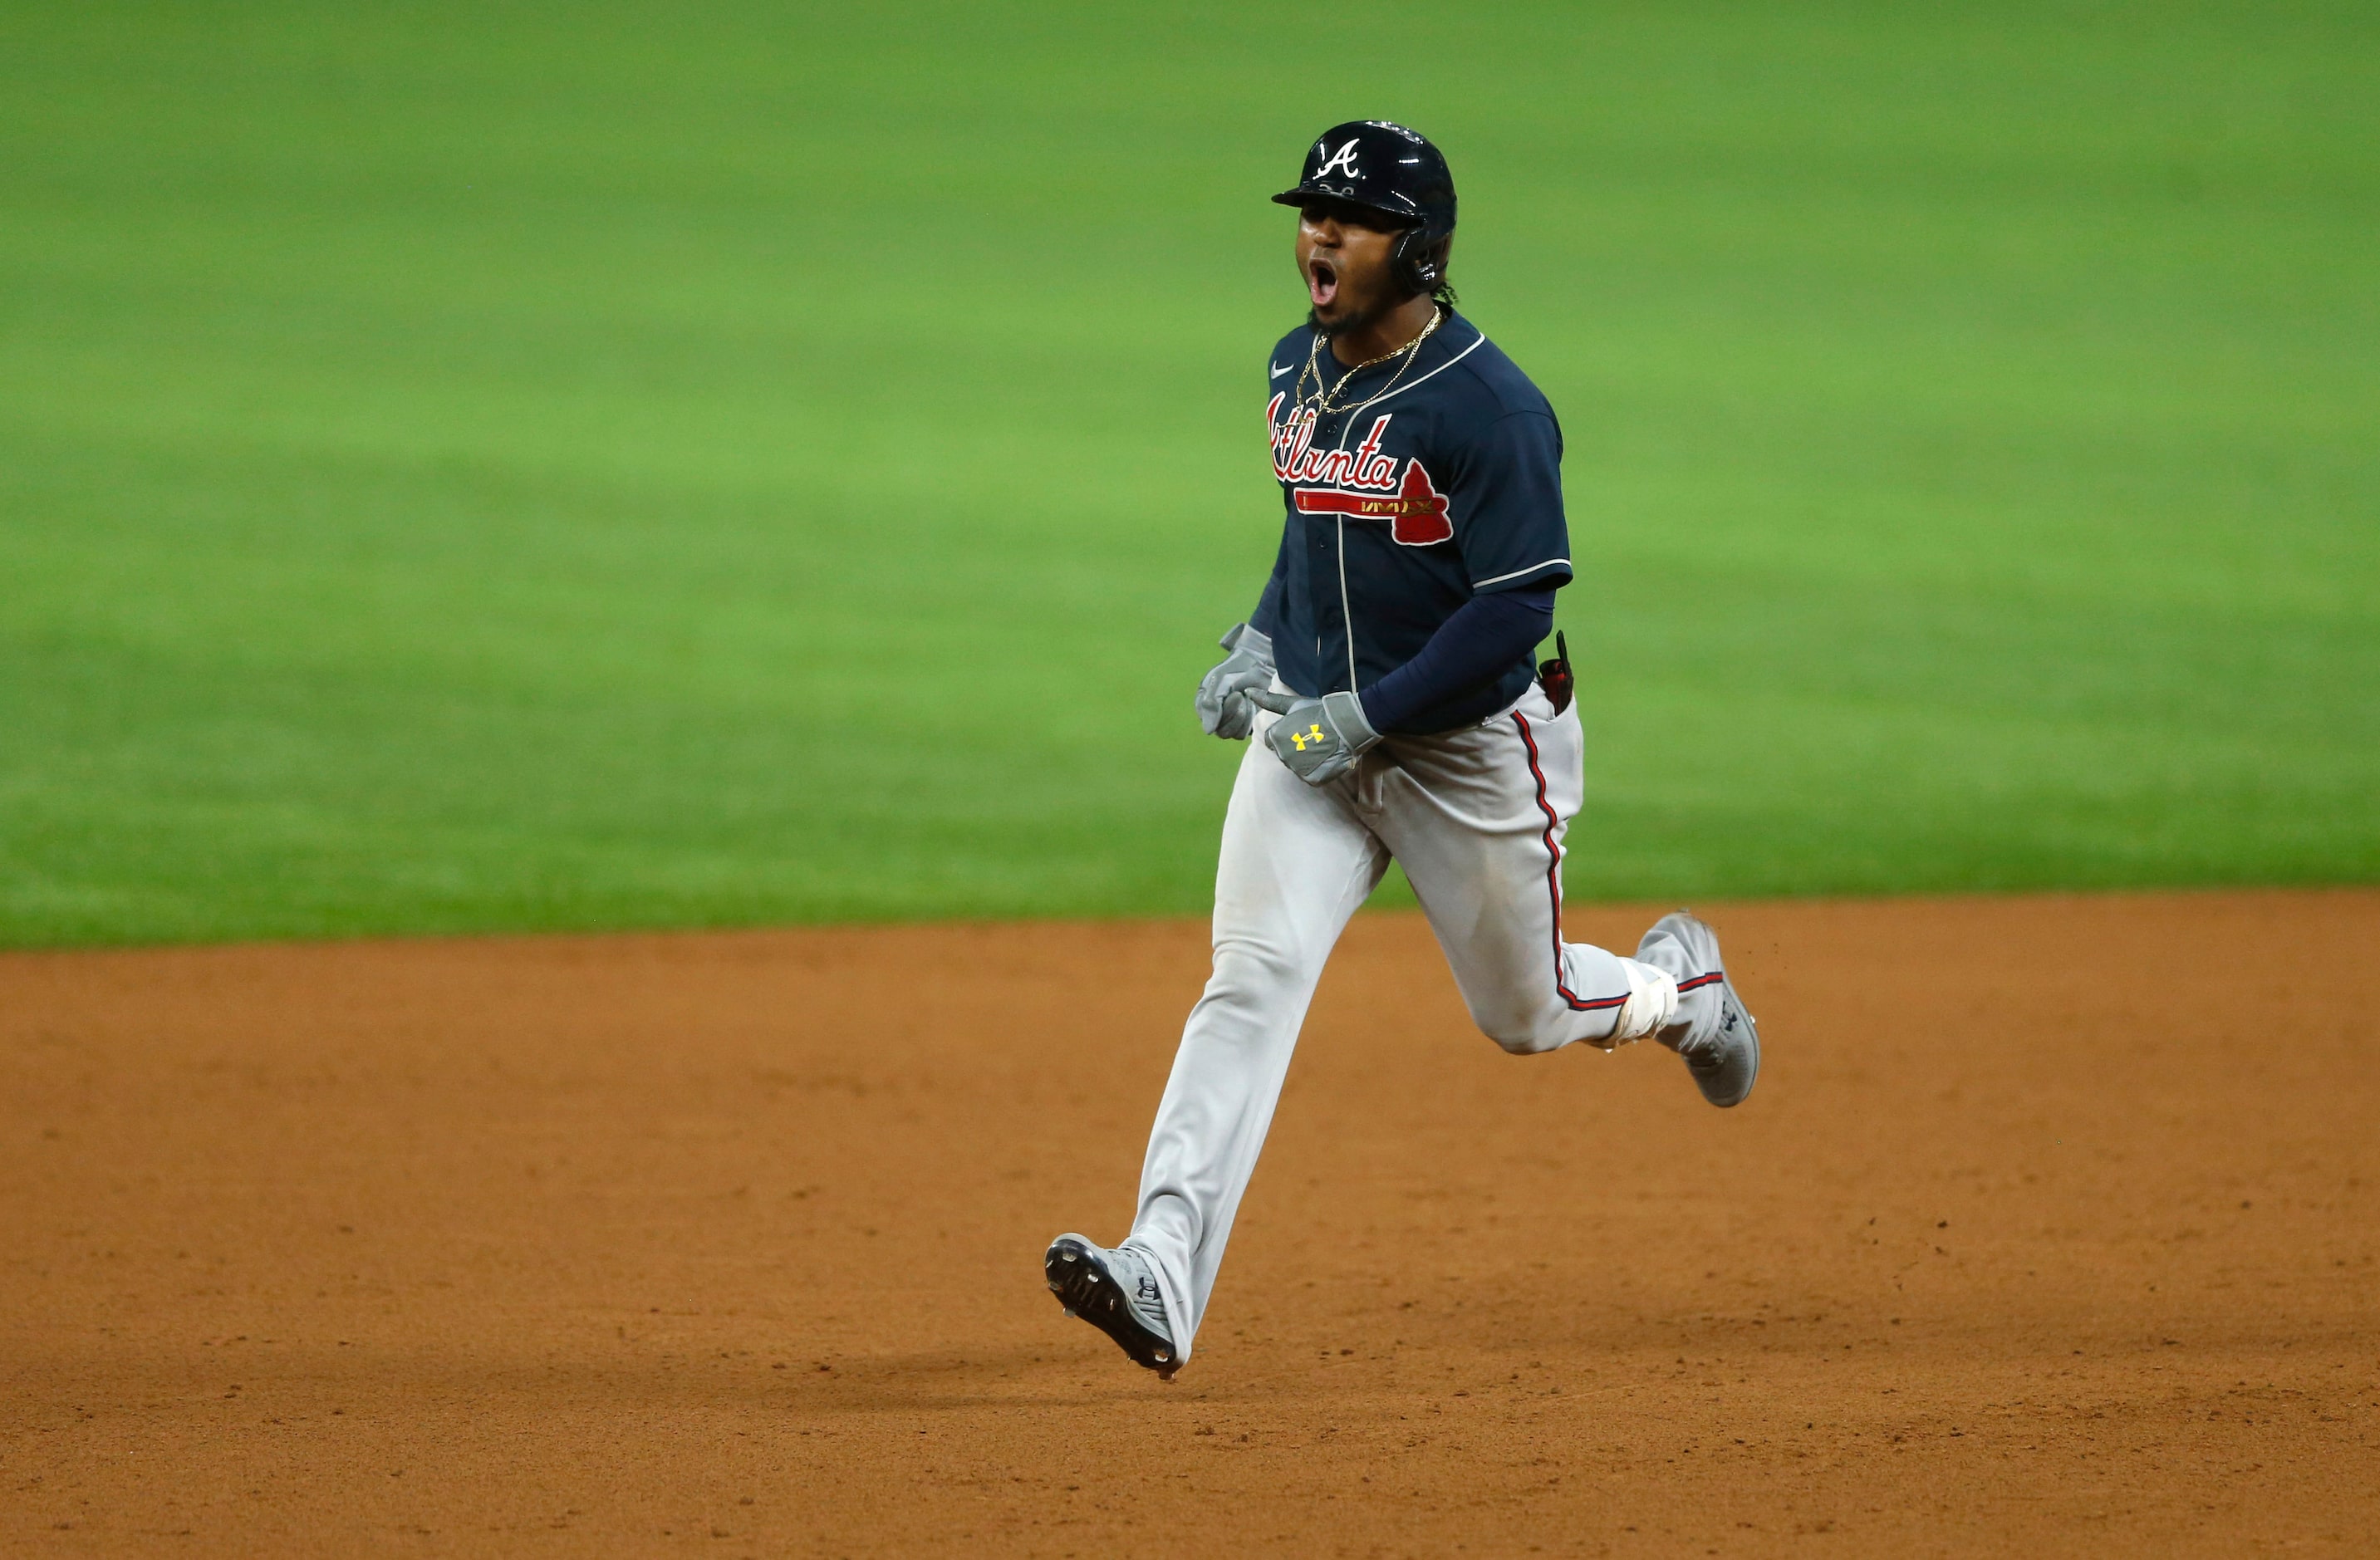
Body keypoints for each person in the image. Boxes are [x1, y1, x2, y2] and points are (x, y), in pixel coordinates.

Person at [1045, 121, 1759, 1379]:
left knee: (1527, 1012)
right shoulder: (1289, 369)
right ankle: (1161, 1264)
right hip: (1316, 737)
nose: (1317, 233)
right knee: (1249, 977)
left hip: (1472, 745)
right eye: (1311, 210)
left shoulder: (1490, 406)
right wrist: (1259, 643)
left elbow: (1510, 608)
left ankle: (1678, 994)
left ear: (1417, 249)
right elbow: (1308, 536)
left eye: (1351, 217)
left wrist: (1366, 717)